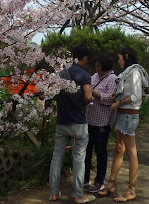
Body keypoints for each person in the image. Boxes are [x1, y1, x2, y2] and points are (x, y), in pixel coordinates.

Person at [99, 47, 149, 202]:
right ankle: (111, 184)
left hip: (129, 115)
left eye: (120, 58)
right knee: (119, 149)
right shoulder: (125, 74)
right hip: (122, 114)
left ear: (126, 57)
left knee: (131, 152)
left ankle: (131, 189)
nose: (119, 61)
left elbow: (135, 96)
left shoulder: (133, 72)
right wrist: (117, 96)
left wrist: (118, 102)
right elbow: (127, 93)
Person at [49, 45, 95, 204]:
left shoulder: (60, 74)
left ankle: (54, 194)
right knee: (78, 158)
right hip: (78, 124)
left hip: (61, 122)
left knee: (57, 157)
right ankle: (78, 195)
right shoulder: (84, 75)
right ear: (85, 58)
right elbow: (88, 97)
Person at [84, 54, 117, 193]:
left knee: (100, 152)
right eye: (95, 66)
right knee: (86, 150)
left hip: (102, 121)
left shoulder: (113, 79)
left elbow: (111, 99)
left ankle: (99, 181)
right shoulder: (93, 77)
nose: (96, 68)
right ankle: (84, 179)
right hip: (89, 119)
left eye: (99, 66)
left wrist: (94, 93)